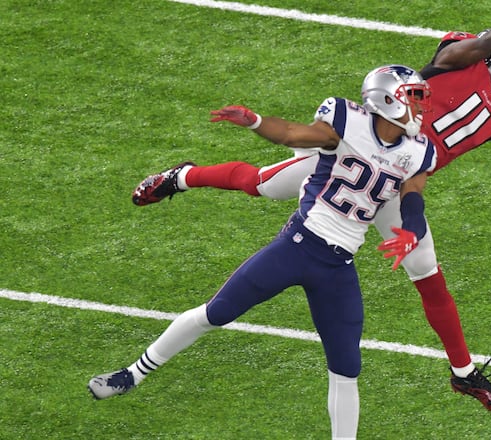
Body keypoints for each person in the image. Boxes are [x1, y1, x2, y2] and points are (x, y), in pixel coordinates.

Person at [130, 7, 491, 414]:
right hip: (357, 159)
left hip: (400, 186)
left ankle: (463, 374)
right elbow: (487, 43)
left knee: (429, 275)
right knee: (262, 184)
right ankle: (182, 176)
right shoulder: (457, 59)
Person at [89, 65, 435, 440]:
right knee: (215, 313)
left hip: (339, 265)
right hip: (299, 245)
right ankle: (132, 374)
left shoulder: (417, 151)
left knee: (346, 368)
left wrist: (412, 232)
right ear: (387, 99)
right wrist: (254, 121)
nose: (421, 106)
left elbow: (413, 201)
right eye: (414, 97)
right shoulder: (346, 122)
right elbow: (290, 133)